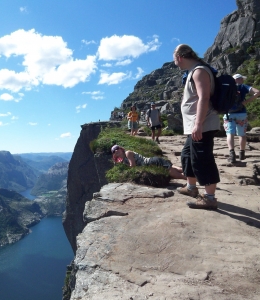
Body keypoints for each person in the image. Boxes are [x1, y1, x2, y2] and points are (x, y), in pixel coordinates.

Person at [173, 44, 220, 210]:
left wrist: (198, 124)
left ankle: (209, 198)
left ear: (180, 57)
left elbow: (204, 97)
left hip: (203, 124)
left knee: (202, 159)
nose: (175, 63)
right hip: (195, 125)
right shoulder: (193, 72)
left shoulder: (199, 71)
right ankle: (191, 187)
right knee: (187, 155)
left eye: (175, 59)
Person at [223, 74, 260, 162]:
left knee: (230, 134)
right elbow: (258, 92)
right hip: (241, 114)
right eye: (241, 79)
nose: (242, 81)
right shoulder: (243, 87)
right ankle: (241, 153)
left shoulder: (226, 87)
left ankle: (232, 154)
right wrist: (246, 102)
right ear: (238, 79)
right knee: (242, 135)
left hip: (229, 114)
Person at [111, 145, 186, 180]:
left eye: (117, 149)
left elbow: (133, 166)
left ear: (121, 149)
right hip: (152, 162)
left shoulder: (128, 153)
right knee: (179, 170)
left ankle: (193, 179)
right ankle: (193, 175)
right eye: (114, 151)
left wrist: (122, 168)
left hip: (152, 162)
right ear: (113, 154)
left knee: (178, 175)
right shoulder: (124, 160)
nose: (116, 151)